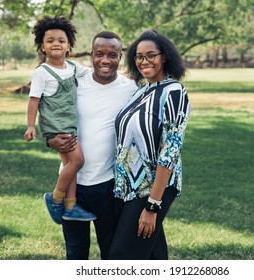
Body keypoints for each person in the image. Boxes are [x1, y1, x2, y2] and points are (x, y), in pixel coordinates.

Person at [47, 31, 137, 259]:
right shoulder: (74, 81)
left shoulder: (131, 89)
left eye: (112, 55)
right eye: (99, 54)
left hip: (107, 186)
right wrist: (49, 138)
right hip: (72, 184)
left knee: (111, 252)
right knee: (76, 252)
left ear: (120, 56)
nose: (105, 60)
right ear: (92, 54)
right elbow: (49, 107)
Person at [109, 30, 191, 260]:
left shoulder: (174, 92)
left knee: (122, 256)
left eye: (150, 55)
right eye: (138, 56)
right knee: (153, 254)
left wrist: (153, 205)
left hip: (153, 188)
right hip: (128, 187)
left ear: (164, 57)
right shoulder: (141, 91)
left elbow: (170, 152)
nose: (144, 61)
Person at [24, 15, 96, 224]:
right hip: (56, 127)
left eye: (61, 40)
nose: (56, 43)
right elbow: (33, 100)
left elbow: (94, 72)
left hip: (69, 125)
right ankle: (55, 198)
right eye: (50, 40)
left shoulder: (73, 68)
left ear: (69, 46)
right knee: (78, 161)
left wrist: (122, 77)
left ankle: (70, 206)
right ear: (42, 47)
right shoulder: (42, 73)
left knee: (69, 165)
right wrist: (30, 126)